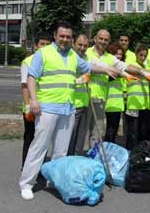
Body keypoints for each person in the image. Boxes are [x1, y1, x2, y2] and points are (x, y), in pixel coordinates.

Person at [19, 21, 120, 200]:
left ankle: (55, 180)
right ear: (55, 36)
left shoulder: (73, 56)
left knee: (61, 150)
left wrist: (106, 70)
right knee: (39, 147)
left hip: (67, 109)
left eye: (68, 37)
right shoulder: (43, 53)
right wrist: (33, 101)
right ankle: (27, 183)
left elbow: (88, 67)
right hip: (46, 109)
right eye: (62, 36)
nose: (65, 39)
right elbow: (31, 77)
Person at [86, 29, 150, 148]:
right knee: (77, 132)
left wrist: (143, 72)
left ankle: (93, 162)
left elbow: (125, 66)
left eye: (106, 40)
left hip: (99, 99)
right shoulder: (87, 52)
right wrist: (120, 73)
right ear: (95, 38)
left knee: (96, 134)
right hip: (83, 98)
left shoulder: (109, 57)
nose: (103, 41)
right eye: (101, 39)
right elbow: (90, 65)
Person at [20, 34, 51, 168]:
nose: (44, 47)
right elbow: (25, 85)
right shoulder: (28, 61)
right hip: (31, 107)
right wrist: (27, 105)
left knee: (43, 139)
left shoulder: (50, 61)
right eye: (42, 44)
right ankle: (26, 166)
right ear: (36, 46)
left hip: (46, 107)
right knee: (30, 138)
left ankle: (40, 167)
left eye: (47, 44)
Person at [125, 43, 150, 149]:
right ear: (136, 54)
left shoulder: (146, 66)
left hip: (145, 104)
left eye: (145, 56)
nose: (143, 58)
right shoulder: (131, 64)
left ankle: (141, 154)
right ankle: (131, 152)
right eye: (141, 55)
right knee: (133, 132)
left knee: (144, 131)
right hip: (134, 103)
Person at [67, 34, 91, 156]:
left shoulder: (86, 58)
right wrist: (78, 81)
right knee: (71, 136)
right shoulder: (69, 57)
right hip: (73, 104)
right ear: (73, 44)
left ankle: (76, 161)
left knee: (81, 138)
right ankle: (68, 161)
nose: (82, 48)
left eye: (85, 46)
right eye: (80, 45)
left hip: (85, 103)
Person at [104, 43, 126, 143]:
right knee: (110, 132)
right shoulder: (109, 69)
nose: (119, 56)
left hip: (117, 105)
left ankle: (110, 150)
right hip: (110, 104)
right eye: (116, 54)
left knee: (113, 131)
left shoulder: (120, 68)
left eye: (120, 54)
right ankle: (107, 152)